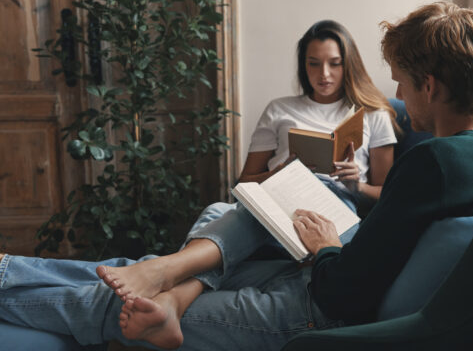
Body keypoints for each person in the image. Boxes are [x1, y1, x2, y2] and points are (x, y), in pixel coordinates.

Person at [0, 2, 473, 351]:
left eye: (404, 83)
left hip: (319, 310)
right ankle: (170, 286)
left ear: (429, 85)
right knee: (166, 261)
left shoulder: (434, 164)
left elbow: (346, 294)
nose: (399, 96)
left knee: (117, 303)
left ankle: (154, 289)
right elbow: (388, 242)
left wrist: (325, 248)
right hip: (316, 279)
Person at [94, 19, 398, 303]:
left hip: (334, 208)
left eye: (335, 63)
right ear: (302, 66)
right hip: (278, 197)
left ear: (349, 64)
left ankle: (172, 282)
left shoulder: (373, 113)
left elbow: (387, 193)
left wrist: (354, 184)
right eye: (313, 63)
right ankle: (172, 296)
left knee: (218, 213)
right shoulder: (279, 109)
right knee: (223, 209)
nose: (324, 75)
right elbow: (245, 181)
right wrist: (278, 173)